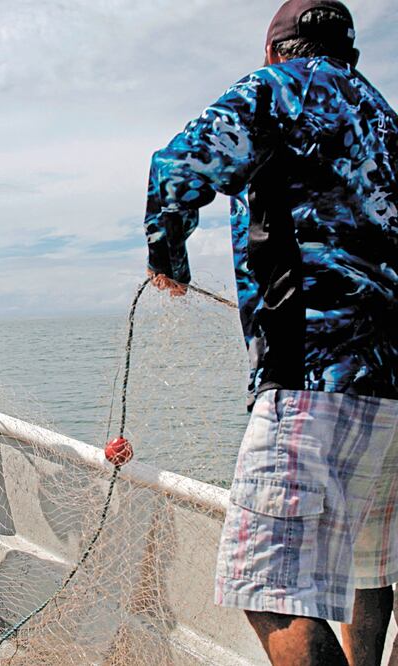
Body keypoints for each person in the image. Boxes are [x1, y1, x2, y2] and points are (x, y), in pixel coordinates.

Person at [142, 1, 397, 663]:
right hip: (395, 385)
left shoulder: (276, 89)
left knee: (270, 591)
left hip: (316, 379)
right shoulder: (387, 121)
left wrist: (167, 255)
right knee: (374, 569)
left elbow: (178, 168)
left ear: (276, 49)